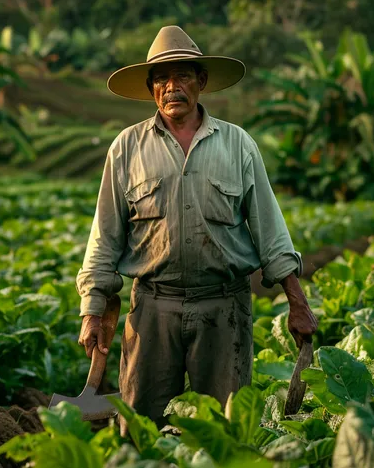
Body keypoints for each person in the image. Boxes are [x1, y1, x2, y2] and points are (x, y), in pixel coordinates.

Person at [75, 26, 318, 435]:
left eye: (184, 75)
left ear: (201, 81)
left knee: (225, 434)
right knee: (140, 432)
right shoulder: (126, 148)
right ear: (152, 87)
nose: (173, 87)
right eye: (162, 79)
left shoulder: (238, 145)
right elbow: (105, 236)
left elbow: (270, 230)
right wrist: (92, 310)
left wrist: (297, 302)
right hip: (152, 309)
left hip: (223, 310)